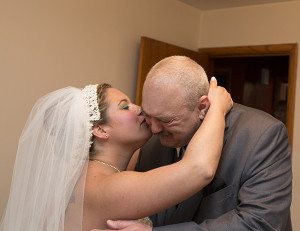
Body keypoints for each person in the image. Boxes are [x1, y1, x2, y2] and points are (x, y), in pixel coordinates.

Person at [0, 78, 232, 230]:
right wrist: (217, 108)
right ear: (100, 130)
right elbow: (199, 169)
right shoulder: (106, 187)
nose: (138, 108)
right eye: (124, 106)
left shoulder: (86, 176)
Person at [99, 56, 292, 231]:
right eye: (149, 116)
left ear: (202, 106)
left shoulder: (262, 135)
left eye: (166, 120)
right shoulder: (150, 142)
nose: (154, 130)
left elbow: (260, 223)